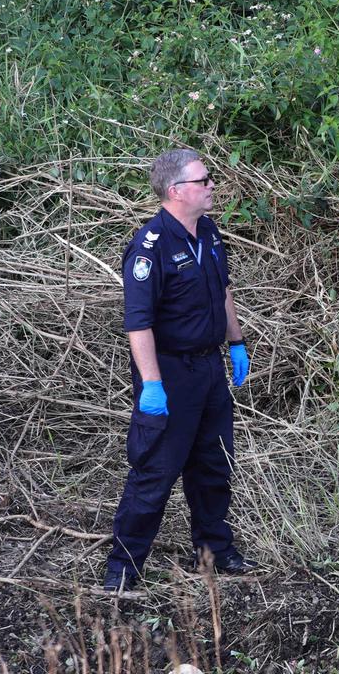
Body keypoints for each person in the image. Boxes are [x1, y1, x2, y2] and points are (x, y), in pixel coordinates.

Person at [103, 148, 254, 592]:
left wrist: (237, 342)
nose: (211, 187)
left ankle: (214, 550)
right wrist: (152, 385)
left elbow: (223, 290)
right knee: (156, 471)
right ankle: (123, 568)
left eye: (209, 179)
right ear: (176, 191)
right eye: (203, 181)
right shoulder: (150, 246)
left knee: (213, 464)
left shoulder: (207, 232)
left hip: (209, 369)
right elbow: (138, 322)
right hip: (169, 374)